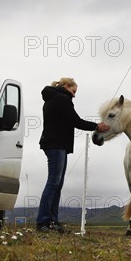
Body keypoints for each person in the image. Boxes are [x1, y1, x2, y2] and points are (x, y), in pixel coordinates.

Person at [36, 77, 109, 232]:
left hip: (56, 144)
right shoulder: (62, 99)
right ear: (66, 86)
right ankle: (43, 221)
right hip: (56, 145)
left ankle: (52, 222)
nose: (74, 95)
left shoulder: (53, 98)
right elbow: (76, 121)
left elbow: (70, 121)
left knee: (57, 184)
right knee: (54, 183)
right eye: (73, 91)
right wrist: (97, 126)